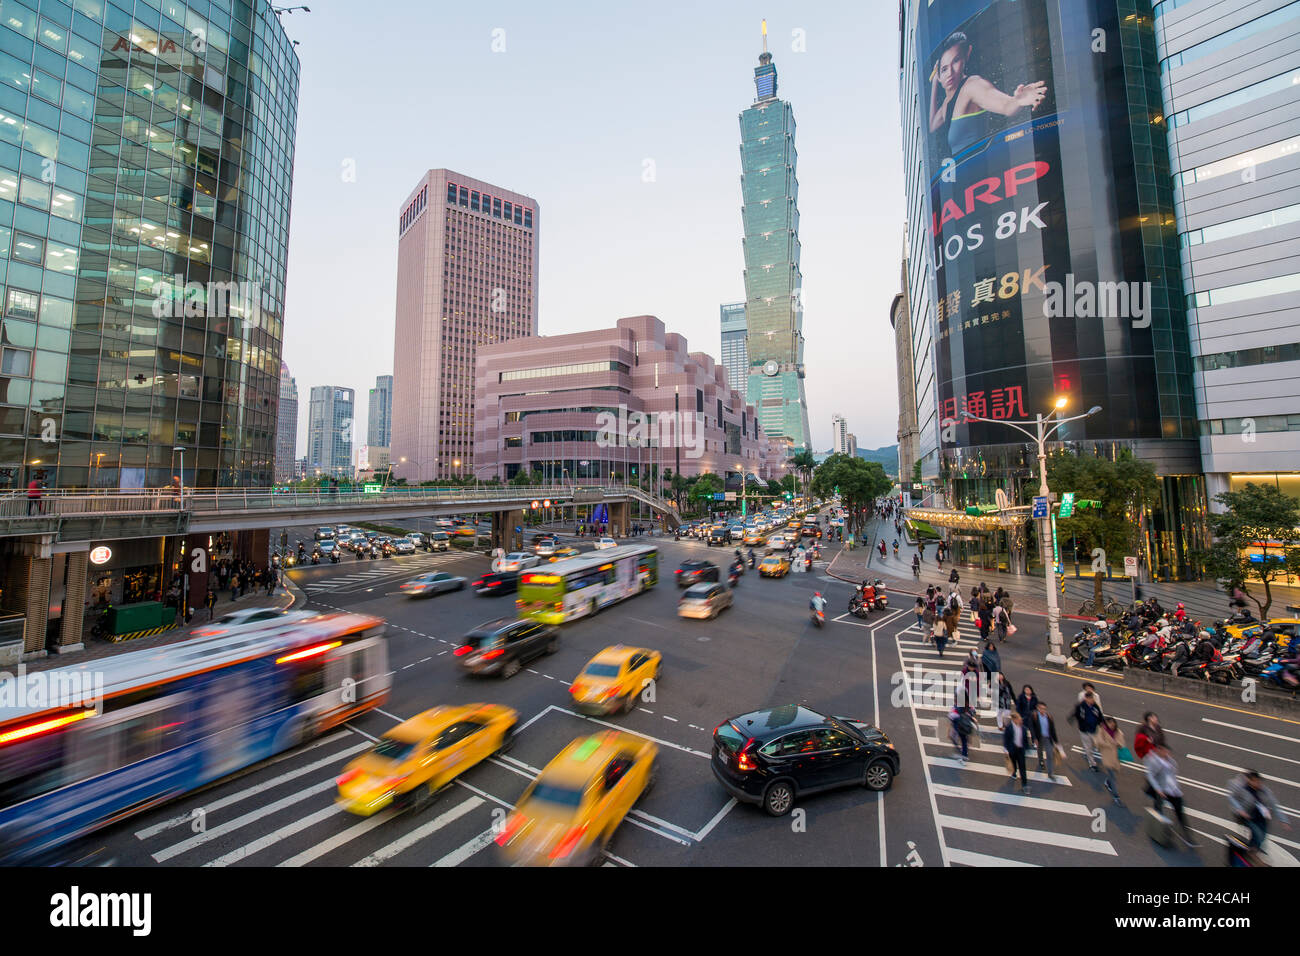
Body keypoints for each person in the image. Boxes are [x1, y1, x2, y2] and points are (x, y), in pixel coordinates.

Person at [928, 29, 1048, 156]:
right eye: (944, 69)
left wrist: (1018, 101)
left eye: (956, 60)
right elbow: (932, 125)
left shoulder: (972, 86)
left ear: (966, 55)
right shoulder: (947, 103)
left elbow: (1006, 106)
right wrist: (935, 82)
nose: (950, 72)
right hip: (965, 172)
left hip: (983, 168)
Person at [1146, 745, 1199, 846]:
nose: (1167, 753)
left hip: (1173, 791)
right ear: (1159, 750)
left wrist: (1176, 787)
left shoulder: (1172, 761)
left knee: (1180, 811)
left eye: (1168, 752)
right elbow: (1150, 776)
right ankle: (1158, 832)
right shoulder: (1154, 761)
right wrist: (1158, 789)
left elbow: (1173, 776)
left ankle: (1187, 834)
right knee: (1158, 813)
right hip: (1161, 791)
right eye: (1164, 751)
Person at [1228, 770, 1288, 855]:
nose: (1258, 783)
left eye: (1259, 781)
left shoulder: (1265, 790)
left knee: (1262, 837)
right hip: (1248, 817)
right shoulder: (1243, 790)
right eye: (1255, 781)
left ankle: (1252, 849)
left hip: (1261, 817)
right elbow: (1232, 798)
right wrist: (1240, 810)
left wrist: (1284, 820)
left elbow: (1274, 804)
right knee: (1258, 835)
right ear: (1250, 781)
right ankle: (1250, 851)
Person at [1095, 716, 1126, 806]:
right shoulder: (1102, 731)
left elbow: (1121, 743)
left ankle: (1107, 782)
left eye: (1113, 722)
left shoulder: (1118, 732)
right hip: (1107, 756)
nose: (1111, 724)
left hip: (1115, 756)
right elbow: (1098, 741)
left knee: (1114, 771)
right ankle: (1116, 797)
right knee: (1113, 777)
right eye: (1109, 722)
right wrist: (1110, 744)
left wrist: (1118, 744)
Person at [1071, 691, 1105, 772]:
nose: (1092, 700)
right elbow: (1076, 715)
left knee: (1097, 744)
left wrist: (1101, 723)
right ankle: (1092, 764)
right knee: (1088, 747)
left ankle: (1092, 755)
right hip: (1084, 731)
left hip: (1094, 729)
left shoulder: (1095, 706)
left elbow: (1100, 715)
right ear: (1086, 698)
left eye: (1092, 698)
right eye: (1090, 698)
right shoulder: (1081, 706)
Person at [1004, 711, 1031, 794]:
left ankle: (1024, 785)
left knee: (1022, 767)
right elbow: (1006, 739)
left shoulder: (1023, 728)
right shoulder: (1009, 728)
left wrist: (1026, 748)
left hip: (1020, 750)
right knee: (1014, 763)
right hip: (1012, 749)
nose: (1020, 721)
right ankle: (1014, 772)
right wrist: (1006, 750)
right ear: (1014, 719)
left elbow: (1025, 740)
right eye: (1019, 719)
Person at [1032, 702, 1059, 779]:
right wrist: (1034, 738)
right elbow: (1032, 728)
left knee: (1050, 755)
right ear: (1038, 708)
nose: (1043, 710)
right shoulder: (1035, 716)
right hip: (1039, 738)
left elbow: (1052, 730)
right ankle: (1041, 761)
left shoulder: (1049, 717)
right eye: (1041, 708)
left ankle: (1050, 773)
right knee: (1040, 750)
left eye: (1044, 709)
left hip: (1047, 738)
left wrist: (1056, 741)